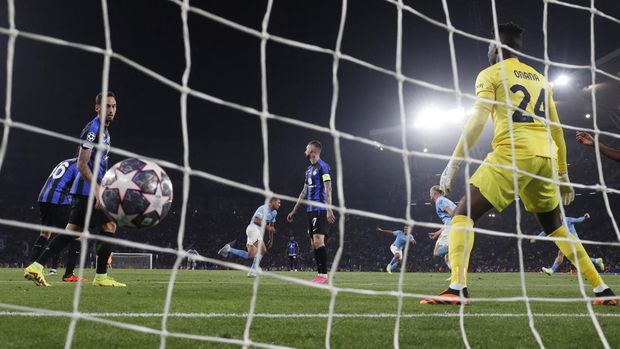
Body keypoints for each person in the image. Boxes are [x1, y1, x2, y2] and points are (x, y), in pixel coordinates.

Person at [421, 23, 616, 305]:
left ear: (497, 48)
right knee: (556, 227)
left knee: (462, 214)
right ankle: (602, 289)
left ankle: (457, 288)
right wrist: (563, 173)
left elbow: (477, 120)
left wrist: (454, 162)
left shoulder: (490, 74)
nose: (488, 50)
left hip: (513, 153)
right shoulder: (540, 78)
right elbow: (558, 129)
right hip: (546, 157)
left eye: (489, 46)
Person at [24, 91, 125, 287]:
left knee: (70, 232)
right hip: (86, 191)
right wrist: (97, 190)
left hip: (84, 191)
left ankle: (36, 267)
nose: (111, 110)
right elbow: (81, 164)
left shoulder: (105, 132)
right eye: (107, 106)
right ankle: (101, 277)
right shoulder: (92, 130)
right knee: (109, 226)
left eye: (113, 106)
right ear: (97, 108)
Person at [30, 157, 86, 282]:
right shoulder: (81, 165)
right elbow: (78, 188)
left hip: (43, 197)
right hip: (58, 198)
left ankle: (31, 265)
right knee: (76, 233)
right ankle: (69, 274)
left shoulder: (66, 162)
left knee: (45, 233)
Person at [287, 140, 336, 284]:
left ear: (313, 151)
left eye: (307, 148)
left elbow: (328, 189)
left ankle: (324, 275)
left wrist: (329, 210)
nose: (305, 150)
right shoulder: (308, 170)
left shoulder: (324, 167)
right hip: (310, 210)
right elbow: (304, 191)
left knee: (318, 241)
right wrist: (294, 210)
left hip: (320, 208)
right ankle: (320, 273)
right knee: (313, 243)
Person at [218, 198, 281, 277]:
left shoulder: (274, 213)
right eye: (278, 203)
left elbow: (272, 226)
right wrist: (268, 228)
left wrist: (271, 240)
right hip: (253, 228)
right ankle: (253, 271)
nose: (279, 205)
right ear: (272, 202)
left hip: (256, 232)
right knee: (263, 250)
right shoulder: (263, 208)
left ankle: (228, 249)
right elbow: (257, 220)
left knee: (251, 256)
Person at [530, 213, 605, 275]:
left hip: (574, 241)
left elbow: (578, 220)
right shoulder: (556, 224)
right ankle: (596, 260)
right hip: (566, 242)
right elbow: (546, 232)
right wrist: (536, 238)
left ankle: (552, 270)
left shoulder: (568, 220)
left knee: (565, 255)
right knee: (571, 257)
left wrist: (584, 217)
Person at [428, 185, 456, 270]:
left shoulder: (439, 201)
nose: (430, 195)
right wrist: (437, 233)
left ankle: (456, 247)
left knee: (436, 252)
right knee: (447, 256)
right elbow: (448, 219)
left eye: (430, 193)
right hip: (453, 226)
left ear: (435, 193)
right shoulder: (446, 200)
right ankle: (455, 272)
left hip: (452, 227)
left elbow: (452, 213)